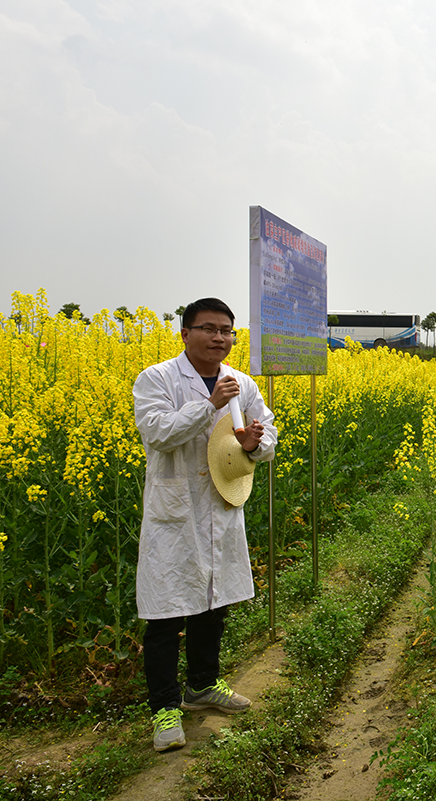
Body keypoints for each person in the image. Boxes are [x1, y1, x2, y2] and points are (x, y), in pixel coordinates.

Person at [134, 298, 277, 752]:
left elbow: (267, 431)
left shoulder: (243, 383)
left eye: (227, 331)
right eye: (209, 328)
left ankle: (202, 685)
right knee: (164, 613)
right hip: (174, 513)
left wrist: (256, 444)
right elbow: (156, 432)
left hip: (220, 504)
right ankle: (164, 708)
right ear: (185, 334)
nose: (220, 338)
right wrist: (208, 405)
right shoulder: (156, 378)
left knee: (213, 604)